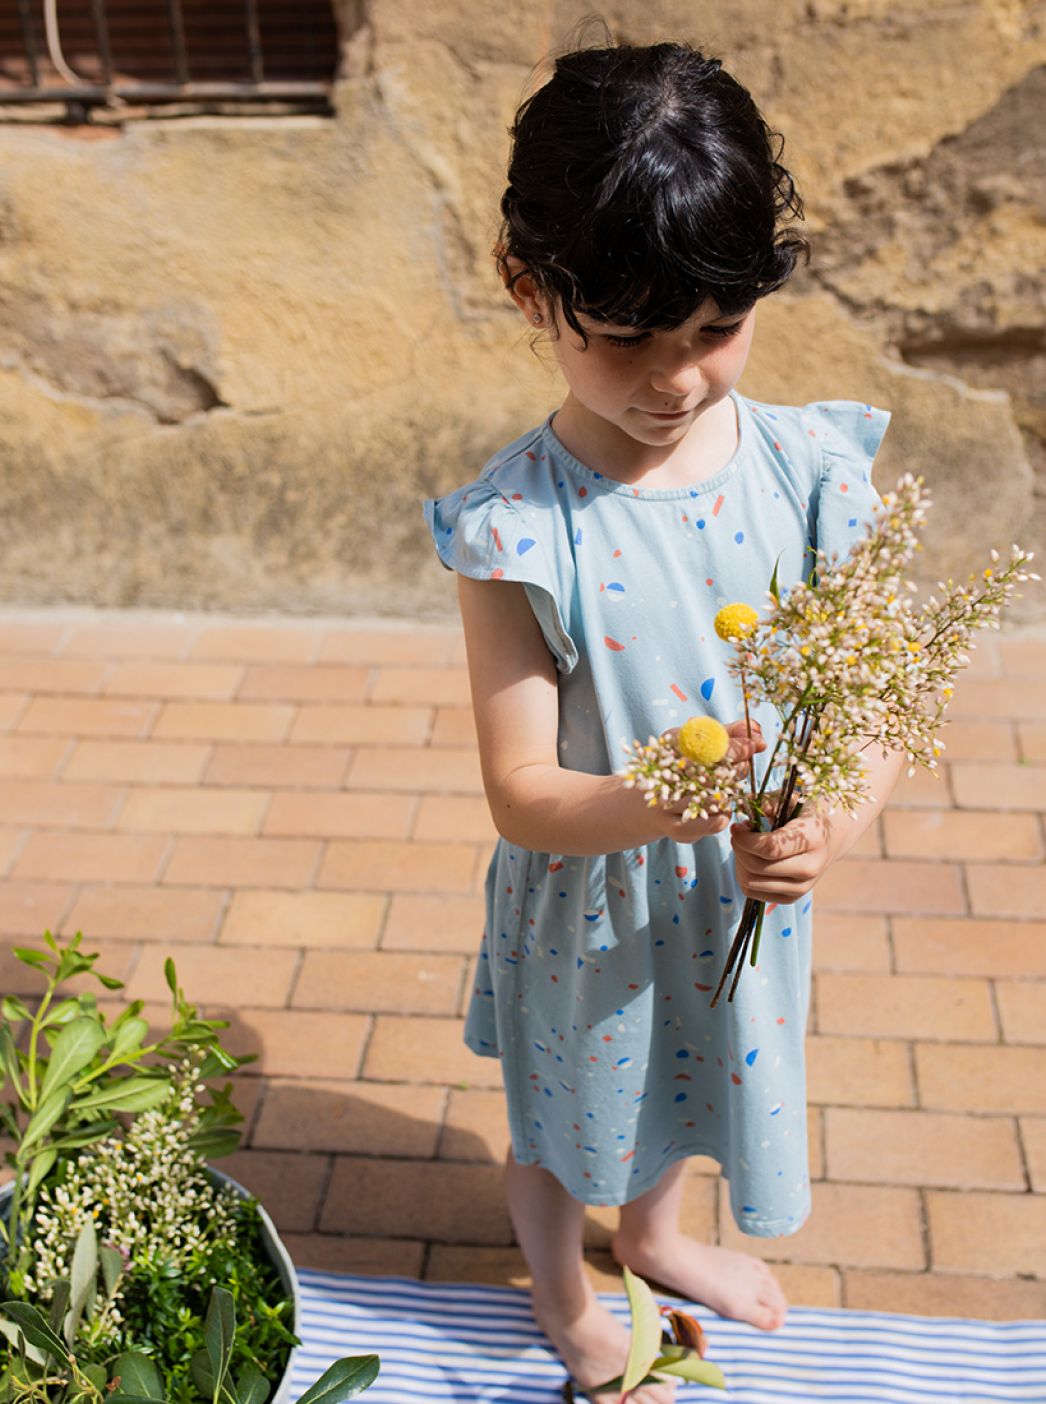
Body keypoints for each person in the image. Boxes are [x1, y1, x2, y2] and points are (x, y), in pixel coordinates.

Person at [424, 36, 905, 1403]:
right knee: (560, 1117)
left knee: (695, 1077)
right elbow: (521, 790)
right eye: (625, 335)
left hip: (741, 890)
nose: (676, 378)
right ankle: (567, 1296)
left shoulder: (812, 475)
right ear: (531, 289)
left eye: (714, 330)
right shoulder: (517, 528)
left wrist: (829, 817)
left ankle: (657, 1237)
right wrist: (666, 804)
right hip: (589, 892)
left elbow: (870, 706)